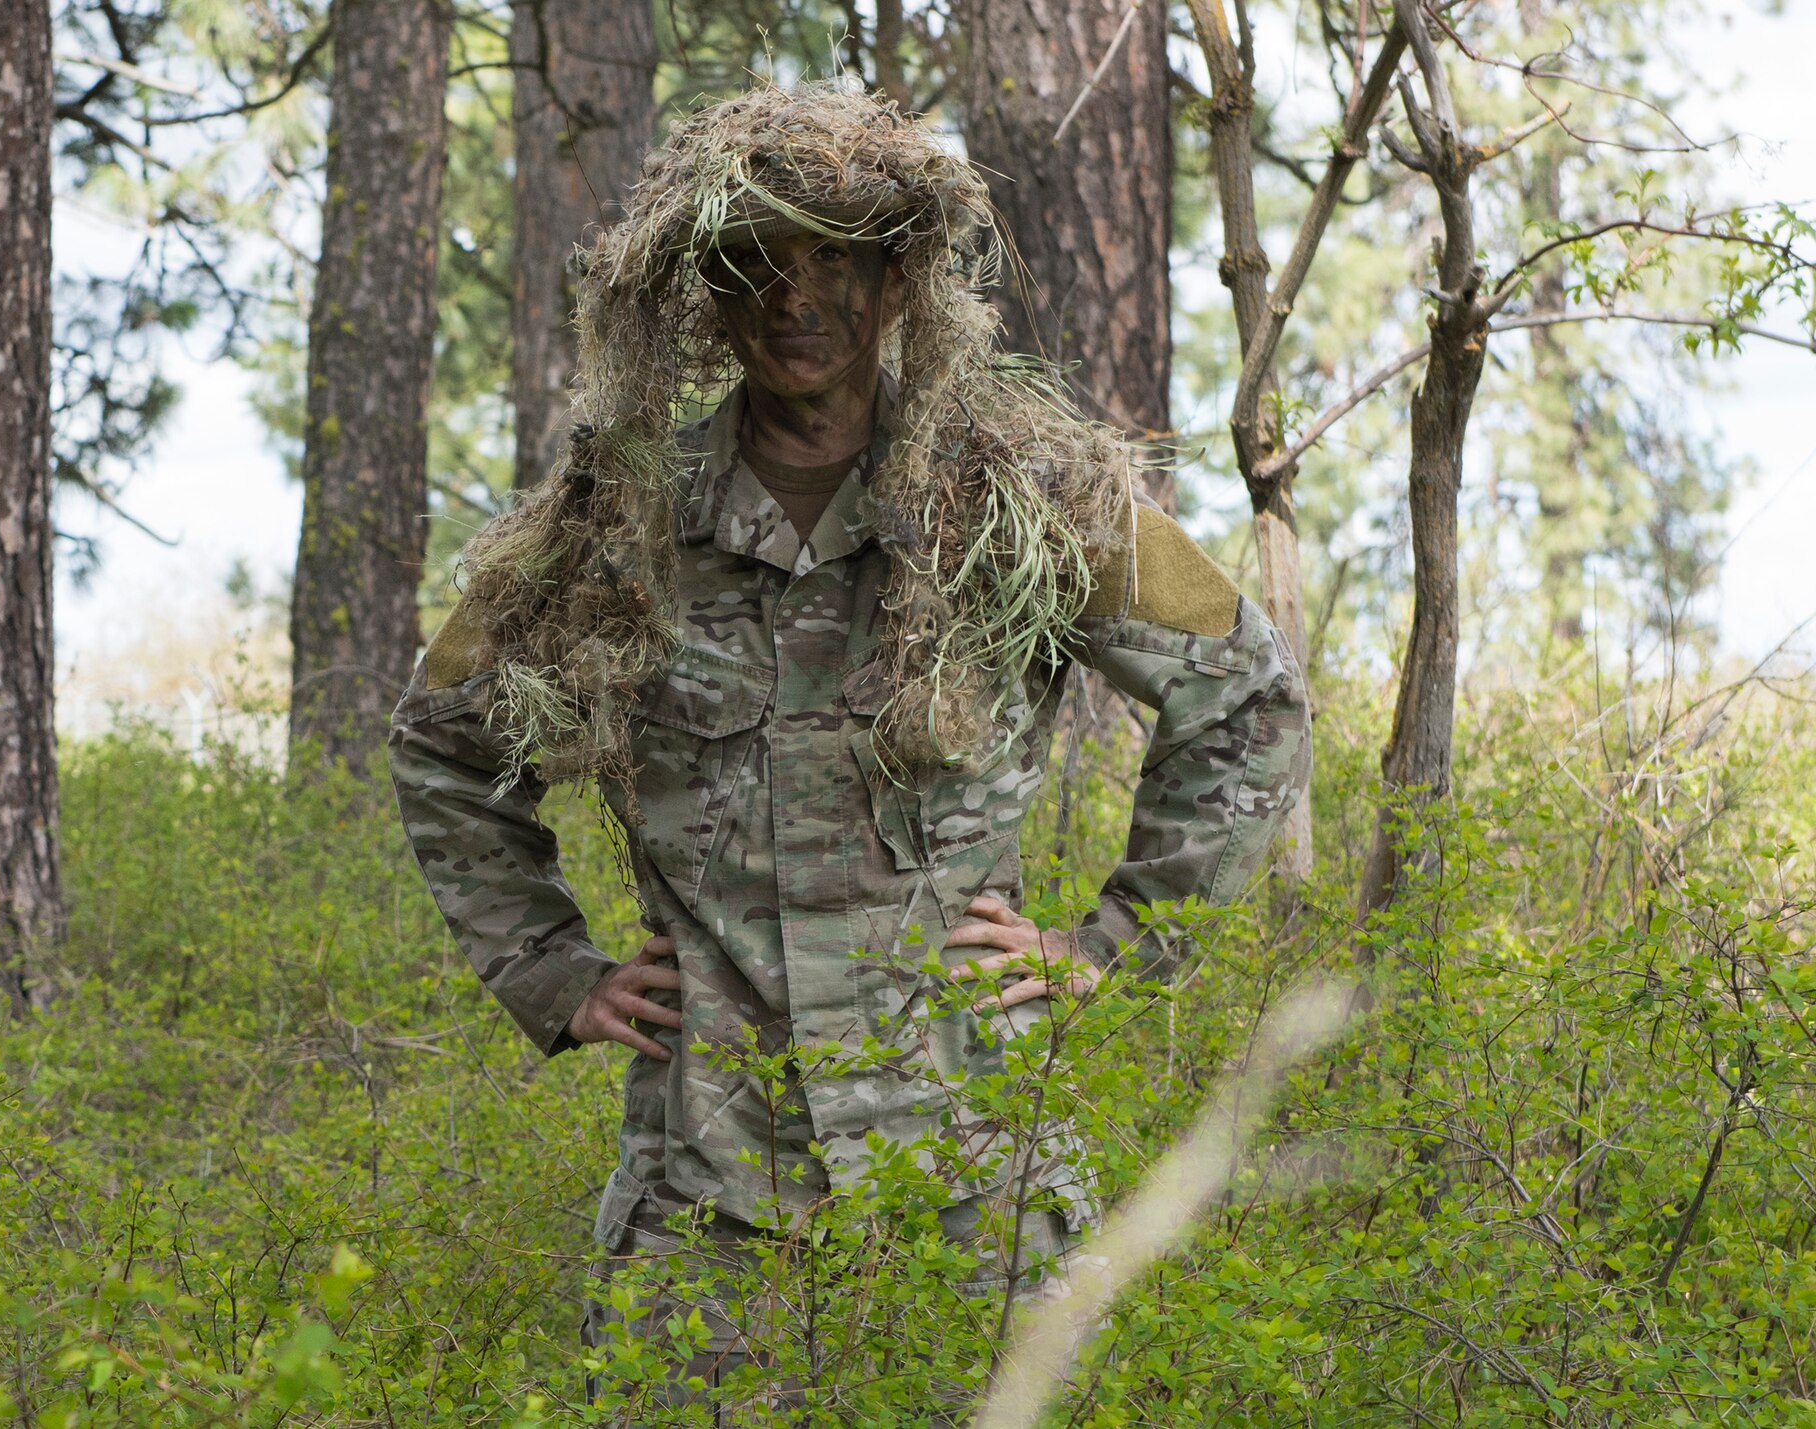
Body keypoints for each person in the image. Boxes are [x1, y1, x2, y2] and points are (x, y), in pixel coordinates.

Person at [388, 81, 1310, 1410]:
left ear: (899, 285)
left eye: (835, 263)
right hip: (707, 1179)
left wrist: (1110, 945)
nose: (795, 298)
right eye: (757, 263)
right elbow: (441, 735)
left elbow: (1248, 690)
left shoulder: (1028, 495)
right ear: (708, 295)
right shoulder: (614, 514)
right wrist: (551, 967)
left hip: (970, 1165)